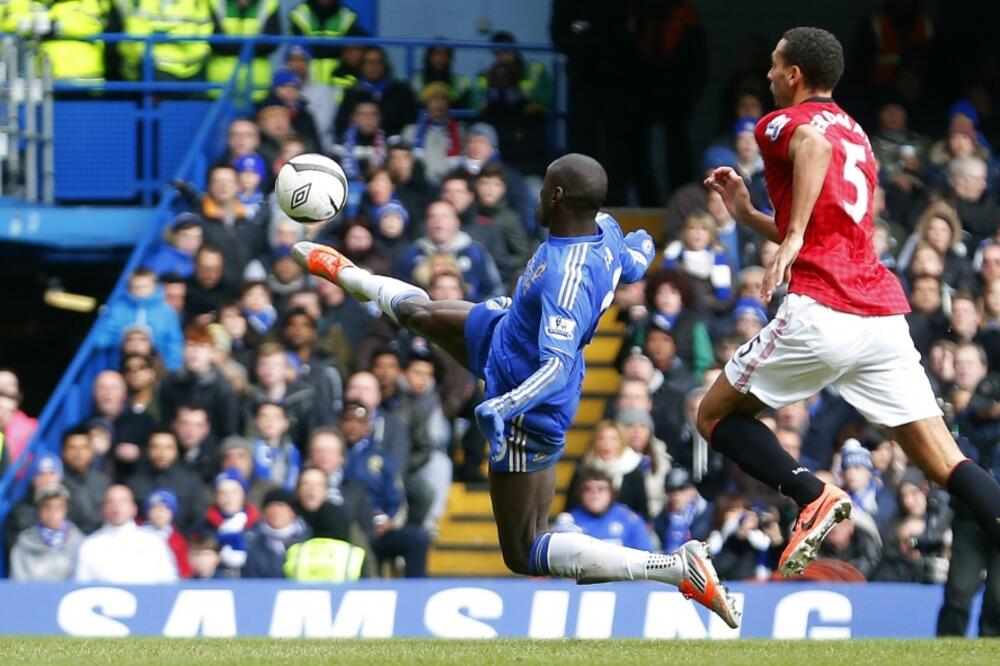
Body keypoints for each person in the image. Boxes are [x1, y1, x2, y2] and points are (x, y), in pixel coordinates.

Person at [292, 153, 740, 626]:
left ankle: (673, 568)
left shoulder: (567, 281)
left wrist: (502, 406)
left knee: (524, 551)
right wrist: (645, 245)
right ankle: (344, 271)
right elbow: (629, 264)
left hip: (531, 401)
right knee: (420, 314)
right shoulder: (604, 227)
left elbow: (555, 366)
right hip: (507, 333)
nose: (538, 194)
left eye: (546, 185)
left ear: (558, 196)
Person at [698, 27, 1000, 579]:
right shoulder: (858, 134)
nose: (767, 75)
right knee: (945, 461)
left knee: (712, 414)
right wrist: (748, 216)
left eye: (773, 65)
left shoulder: (783, 123)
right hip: (881, 314)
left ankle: (810, 495)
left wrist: (789, 241)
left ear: (794, 75)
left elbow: (811, 150)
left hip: (823, 308)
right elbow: (825, 227)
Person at [74, 485, 177, 583]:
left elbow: (170, 581)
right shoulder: (89, 546)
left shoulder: (154, 543)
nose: (116, 506)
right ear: (103, 509)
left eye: (123, 501)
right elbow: (80, 584)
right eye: (110, 502)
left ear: (134, 509)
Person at [95, 268, 184, 371]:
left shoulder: (167, 312)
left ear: (154, 286)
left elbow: (174, 343)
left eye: (145, 287)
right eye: (136, 287)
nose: (140, 291)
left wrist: (173, 368)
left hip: (156, 366)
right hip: (122, 364)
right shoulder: (118, 309)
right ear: (129, 287)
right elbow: (104, 338)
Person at [9, 484, 84, 581]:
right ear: (39, 511)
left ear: (66, 510)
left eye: (58, 507)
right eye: (47, 507)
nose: (52, 513)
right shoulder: (23, 543)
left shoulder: (80, 542)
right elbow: (18, 582)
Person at [566, 468, 653, 551]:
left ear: (612, 492)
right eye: (587, 489)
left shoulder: (630, 519)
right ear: (579, 493)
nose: (594, 494)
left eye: (601, 489)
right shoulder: (568, 521)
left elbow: (646, 556)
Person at [242, 487, 310, 578]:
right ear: (264, 512)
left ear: (292, 512)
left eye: (280, 505)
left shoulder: (307, 540)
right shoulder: (252, 540)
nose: (276, 511)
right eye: (270, 506)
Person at [60, 425, 110, 534]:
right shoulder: (57, 483)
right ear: (63, 452)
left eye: (84, 447)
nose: (78, 453)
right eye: (72, 448)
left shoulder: (104, 481)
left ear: (92, 451)